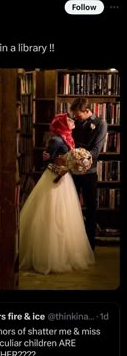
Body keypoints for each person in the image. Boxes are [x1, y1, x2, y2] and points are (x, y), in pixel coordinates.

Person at [19, 113, 95, 275]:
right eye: (68, 120)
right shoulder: (56, 140)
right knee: (51, 213)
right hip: (55, 177)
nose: (72, 121)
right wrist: (56, 162)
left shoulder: (66, 137)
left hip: (64, 176)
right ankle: (50, 255)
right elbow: (47, 161)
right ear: (61, 124)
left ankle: (64, 253)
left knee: (64, 214)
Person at [43, 97, 108, 250]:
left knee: (91, 209)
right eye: (74, 117)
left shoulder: (100, 124)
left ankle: (89, 246)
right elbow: (63, 141)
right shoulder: (74, 123)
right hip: (70, 173)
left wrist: (72, 158)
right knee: (70, 209)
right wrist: (50, 154)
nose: (75, 119)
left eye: (78, 116)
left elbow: (95, 152)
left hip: (89, 173)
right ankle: (71, 245)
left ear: (87, 111)